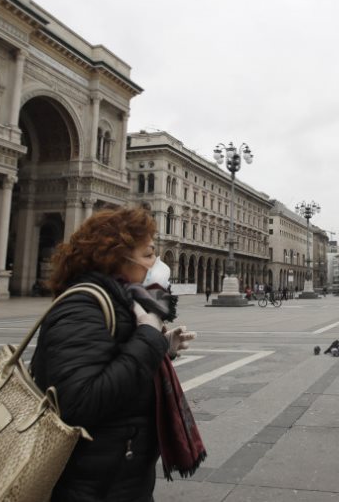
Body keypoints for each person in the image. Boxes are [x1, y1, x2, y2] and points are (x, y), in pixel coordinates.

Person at [31, 207, 200, 501]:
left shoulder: (120, 301)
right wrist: (148, 337)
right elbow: (80, 401)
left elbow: (113, 363)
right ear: (117, 256)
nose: (157, 265)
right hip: (90, 483)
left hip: (118, 473)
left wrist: (162, 348)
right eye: (148, 254)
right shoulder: (81, 307)